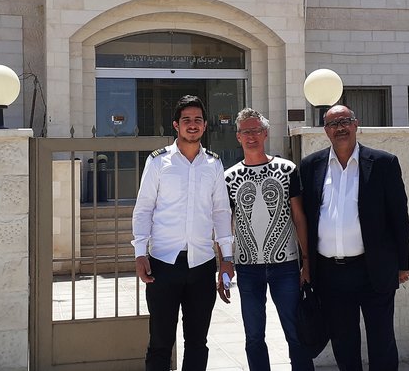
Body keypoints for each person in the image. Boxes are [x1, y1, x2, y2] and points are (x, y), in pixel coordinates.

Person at [299, 105, 409, 371]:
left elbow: (399, 217)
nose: (340, 128)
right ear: (325, 131)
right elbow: (305, 217)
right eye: (333, 124)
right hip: (330, 273)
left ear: (356, 124)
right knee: (343, 342)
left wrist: (403, 264)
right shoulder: (311, 166)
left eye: (345, 121)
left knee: (381, 340)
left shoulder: (384, 163)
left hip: (374, 269)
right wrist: (306, 265)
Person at [132, 95, 236, 371]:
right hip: (163, 265)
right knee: (160, 344)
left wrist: (227, 258)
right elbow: (144, 209)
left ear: (204, 126)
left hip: (201, 266)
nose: (193, 125)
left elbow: (221, 214)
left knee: (197, 343)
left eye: (198, 120)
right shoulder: (158, 162)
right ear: (176, 125)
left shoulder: (213, 164)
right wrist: (140, 253)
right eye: (187, 120)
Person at [221, 108, 314, 371]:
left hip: (285, 266)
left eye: (256, 131)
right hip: (247, 268)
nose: (252, 136)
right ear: (238, 137)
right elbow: (224, 224)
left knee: (295, 333)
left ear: (266, 133)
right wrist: (224, 265)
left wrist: (306, 262)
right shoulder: (228, 178)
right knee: (253, 336)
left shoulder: (287, 170)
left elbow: (299, 218)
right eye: (246, 132)